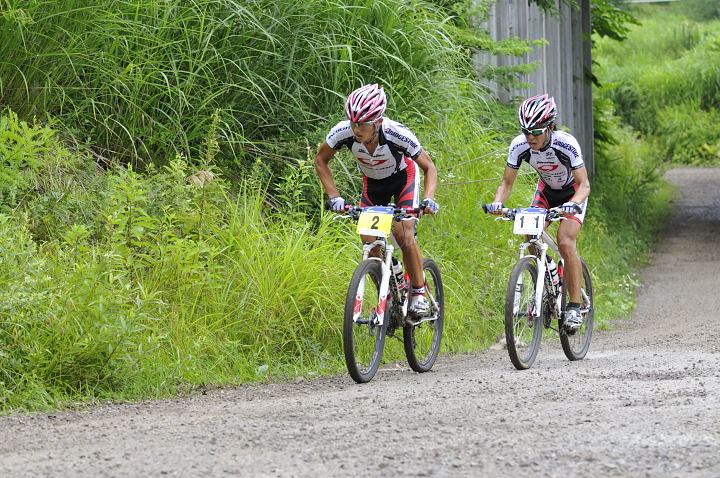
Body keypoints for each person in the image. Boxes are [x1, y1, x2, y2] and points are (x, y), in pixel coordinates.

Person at [315, 83, 439, 317]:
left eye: (362, 124)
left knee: (404, 233)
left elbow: (428, 166)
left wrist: (429, 199)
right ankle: (389, 294)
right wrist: (334, 196)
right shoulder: (343, 132)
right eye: (353, 123)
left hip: (404, 179)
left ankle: (419, 292)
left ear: (378, 122)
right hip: (373, 184)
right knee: (369, 241)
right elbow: (321, 160)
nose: (356, 129)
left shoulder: (396, 133)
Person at [487, 94, 590, 331]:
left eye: (535, 131)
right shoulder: (519, 145)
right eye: (525, 131)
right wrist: (497, 202)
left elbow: (584, 184)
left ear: (549, 126)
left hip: (573, 194)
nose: (530, 137)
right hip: (546, 192)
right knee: (530, 233)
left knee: (565, 241)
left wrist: (573, 204)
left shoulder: (566, 143)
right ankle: (551, 273)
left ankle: (574, 306)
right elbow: (506, 183)